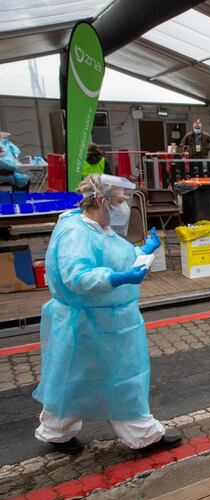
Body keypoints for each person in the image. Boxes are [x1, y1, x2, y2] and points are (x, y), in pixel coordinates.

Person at [32, 174, 181, 455]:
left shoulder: (98, 228)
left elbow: (112, 256)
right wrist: (118, 278)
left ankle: (56, 431)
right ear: (101, 200)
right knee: (120, 378)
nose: (123, 207)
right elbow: (77, 277)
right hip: (91, 320)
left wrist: (141, 253)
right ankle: (143, 436)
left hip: (101, 319)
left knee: (74, 375)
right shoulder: (76, 232)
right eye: (119, 201)